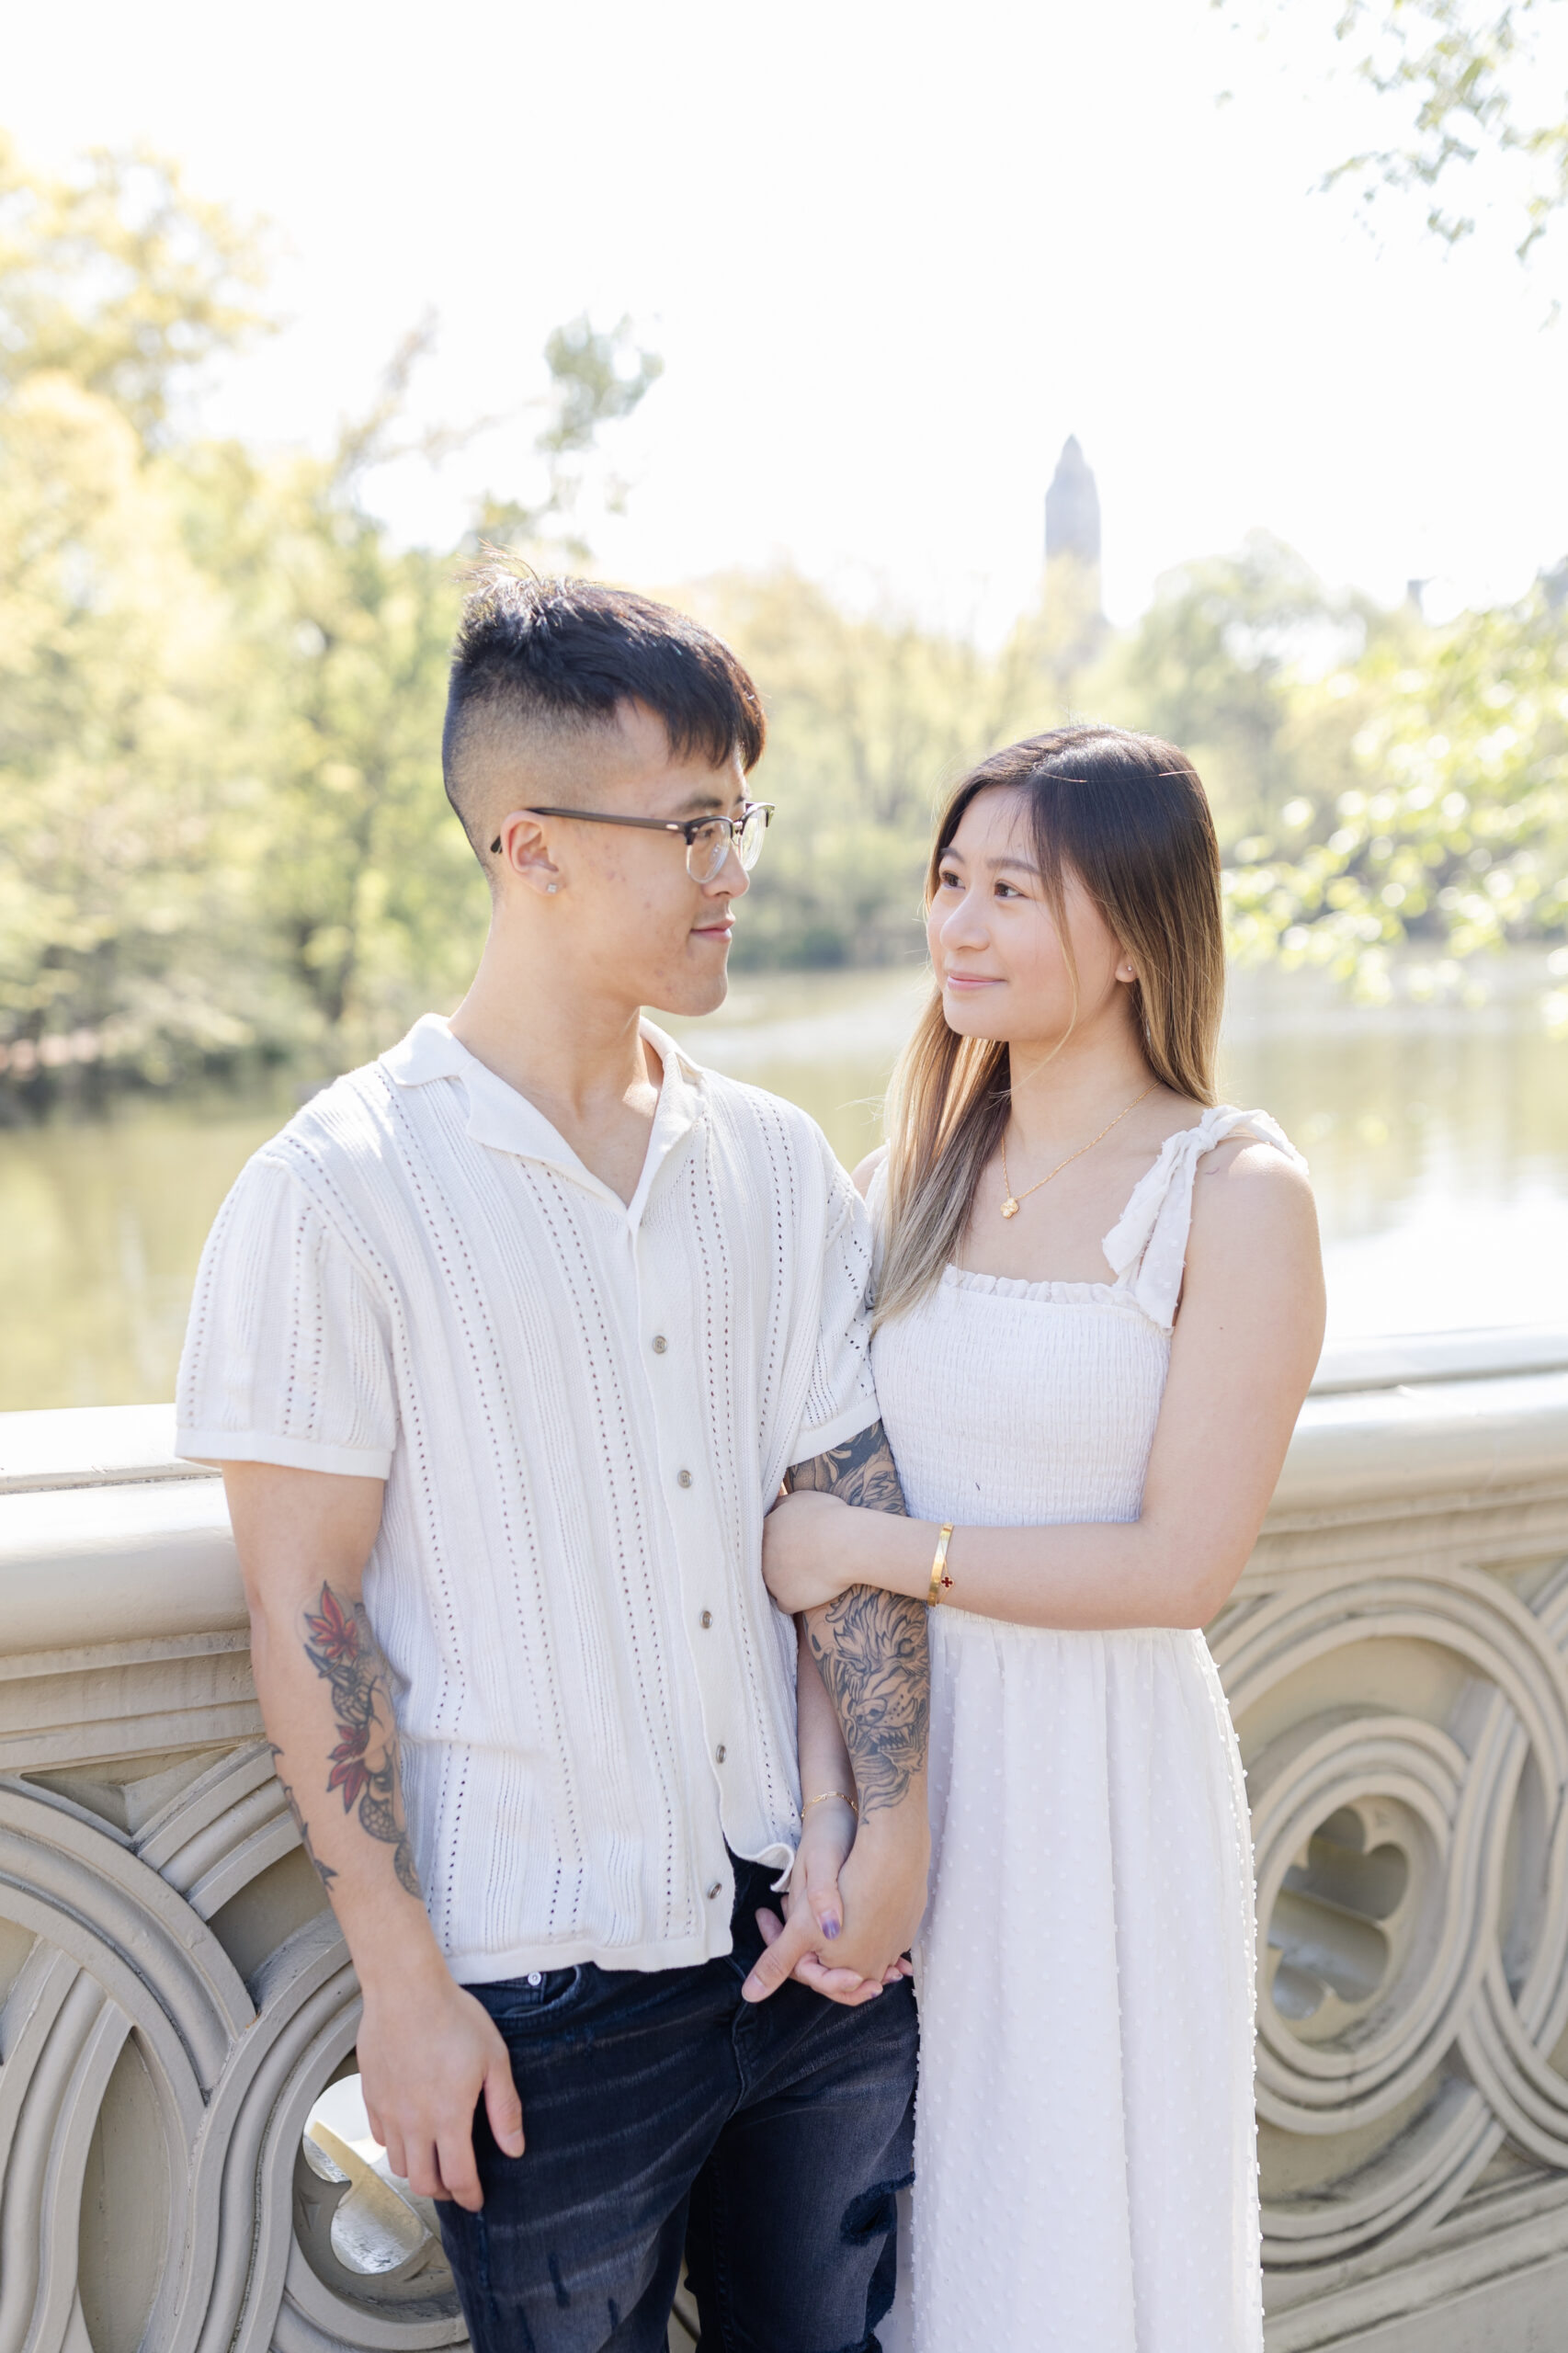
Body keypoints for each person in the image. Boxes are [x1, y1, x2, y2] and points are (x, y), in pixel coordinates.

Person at [175, 572, 932, 2353]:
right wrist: (401, 1973)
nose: (730, 862)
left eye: (740, 811)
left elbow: (847, 1502)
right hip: (536, 1993)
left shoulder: (771, 1162)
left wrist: (888, 1824)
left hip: (810, 1939)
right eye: (687, 822)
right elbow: (311, 1613)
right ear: (528, 847)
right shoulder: (332, 1189)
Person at [762, 726, 1325, 2353]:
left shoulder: (1230, 1192)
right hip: (906, 1780)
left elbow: (1178, 1569)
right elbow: (812, 1522)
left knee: (1081, 2240)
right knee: (930, 2253)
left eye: (1013, 888)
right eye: (950, 881)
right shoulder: (907, 1179)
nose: (960, 924)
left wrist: (891, 1558)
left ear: (1141, 933)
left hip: (1100, 1790)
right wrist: (829, 1814)